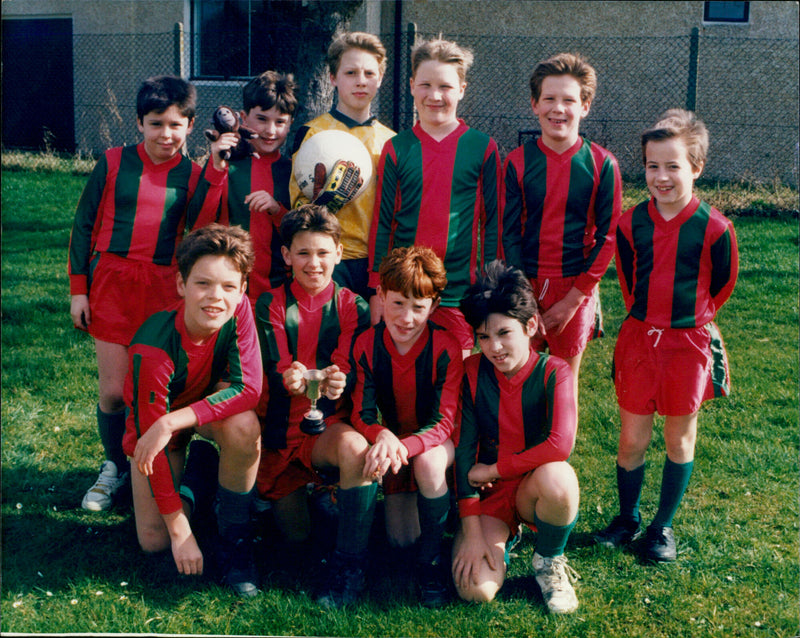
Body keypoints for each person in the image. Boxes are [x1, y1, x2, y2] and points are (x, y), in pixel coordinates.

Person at [595, 109, 738, 563]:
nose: (661, 176)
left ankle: (662, 527)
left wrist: (689, 318)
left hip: (687, 344)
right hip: (640, 340)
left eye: (673, 166)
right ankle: (628, 517)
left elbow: (723, 284)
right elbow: (630, 280)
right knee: (631, 440)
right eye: (652, 166)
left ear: (696, 168)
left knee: (679, 440)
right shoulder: (629, 224)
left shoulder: (715, 227)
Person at [68, 75, 209, 512]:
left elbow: (203, 225)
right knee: (112, 391)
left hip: (163, 288)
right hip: (111, 282)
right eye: (155, 124)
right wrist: (79, 291)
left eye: (175, 124)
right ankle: (113, 466)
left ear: (189, 124)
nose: (165, 135)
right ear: (139, 123)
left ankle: (151, 467)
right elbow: (83, 226)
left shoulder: (194, 174)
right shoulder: (112, 162)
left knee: (150, 388)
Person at [122, 224, 263, 597]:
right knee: (155, 540)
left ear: (242, 289)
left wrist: (173, 420)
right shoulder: (153, 348)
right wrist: (180, 531)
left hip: (187, 414)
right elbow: (147, 441)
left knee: (245, 425)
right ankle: (199, 474)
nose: (216, 297)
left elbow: (249, 388)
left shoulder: (239, 309)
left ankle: (235, 537)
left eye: (229, 287)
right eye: (203, 284)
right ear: (182, 285)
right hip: (151, 428)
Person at [254, 204, 373, 608]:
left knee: (356, 451)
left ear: (340, 253)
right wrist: (290, 375)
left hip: (326, 430)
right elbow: (278, 363)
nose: (314, 263)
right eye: (303, 253)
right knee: (296, 541)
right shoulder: (270, 303)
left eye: (323, 253)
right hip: (276, 430)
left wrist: (339, 379)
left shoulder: (352, 306)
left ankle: (350, 565)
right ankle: (314, 500)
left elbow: (347, 365)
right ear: (286, 255)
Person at [452, 260, 580, 614]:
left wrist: (494, 470)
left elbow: (560, 445)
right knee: (475, 590)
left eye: (504, 333)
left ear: (531, 326)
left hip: (531, 487)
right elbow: (464, 451)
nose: (494, 347)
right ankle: (503, 538)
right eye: (483, 337)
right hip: (488, 497)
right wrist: (473, 531)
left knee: (560, 477)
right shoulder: (471, 372)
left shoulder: (555, 372)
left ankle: (549, 560)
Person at [368, 36, 501, 355]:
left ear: (462, 90)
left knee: (457, 378)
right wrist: (377, 288)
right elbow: (383, 221)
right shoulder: (397, 148)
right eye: (426, 85)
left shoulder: (483, 147)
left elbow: (493, 222)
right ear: (412, 86)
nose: (435, 95)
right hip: (404, 291)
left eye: (445, 86)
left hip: (459, 293)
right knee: (404, 379)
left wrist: (491, 284)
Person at [501, 52, 622, 403]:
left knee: (563, 383)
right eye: (549, 99)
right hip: (526, 283)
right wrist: (522, 292)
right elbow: (509, 234)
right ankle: (519, 452)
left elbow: (609, 237)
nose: (558, 108)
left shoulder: (603, 164)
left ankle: (557, 454)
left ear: (584, 106)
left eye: (568, 100)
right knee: (519, 376)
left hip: (575, 287)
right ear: (534, 105)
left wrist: (574, 299)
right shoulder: (517, 162)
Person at [350, 245, 463, 607]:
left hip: (435, 444)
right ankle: (430, 519)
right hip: (394, 444)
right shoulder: (366, 345)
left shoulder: (446, 347)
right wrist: (382, 435)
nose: (407, 317)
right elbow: (361, 414)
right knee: (400, 541)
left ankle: (432, 562)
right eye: (397, 303)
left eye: (419, 307)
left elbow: (445, 421)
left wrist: (404, 446)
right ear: (381, 296)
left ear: (434, 306)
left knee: (430, 465)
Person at [289, 32, 396, 301]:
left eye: (369, 73)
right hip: (325, 261)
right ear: (333, 78)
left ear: (380, 79)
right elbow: (295, 203)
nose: (361, 81)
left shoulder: (392, 141)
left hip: (376, 262)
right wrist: (319, 205)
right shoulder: (312, 133)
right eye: (350, 72)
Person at [188, 71, 298, 304]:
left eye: (280, 122)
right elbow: (199, 225)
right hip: (227, 289)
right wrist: (216, 165)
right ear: (243, 118)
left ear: (290, 124)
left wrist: (276, 210)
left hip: (276, 290)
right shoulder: (225, 164)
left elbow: (299, 236)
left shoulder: (293, 171)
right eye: (262, 119)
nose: (270, 131)